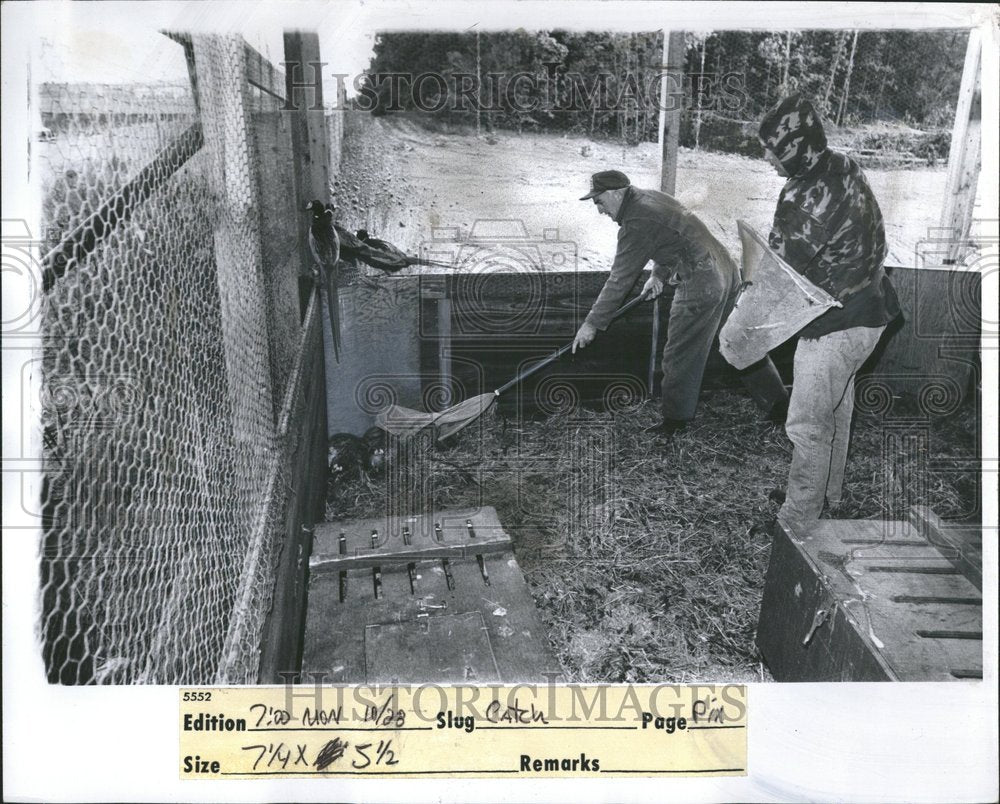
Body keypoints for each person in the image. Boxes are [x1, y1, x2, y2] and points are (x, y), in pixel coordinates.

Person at [757, 94, 900, 534]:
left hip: (834, 325)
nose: (766, 156)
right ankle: (825, 494)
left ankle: (797, 523)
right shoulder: (841, 163)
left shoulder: (802, 197)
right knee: (836, 411)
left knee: (806, 426)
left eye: (773, 148)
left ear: (797, 146)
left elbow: (778, 275)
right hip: (874, 311)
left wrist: (744, 325)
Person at [572, 170, 788, 439]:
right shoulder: (649, 197)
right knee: (737, 341)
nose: (599, 209)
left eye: (599, 201)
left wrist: (592, 323)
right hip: (726, 269)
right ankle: (779, 404)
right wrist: (657, 274)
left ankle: (675, 423)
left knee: (680, 353)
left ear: (616, 194)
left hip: (702, 279)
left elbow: (619, 279)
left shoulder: (635, 221)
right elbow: (674, 233)